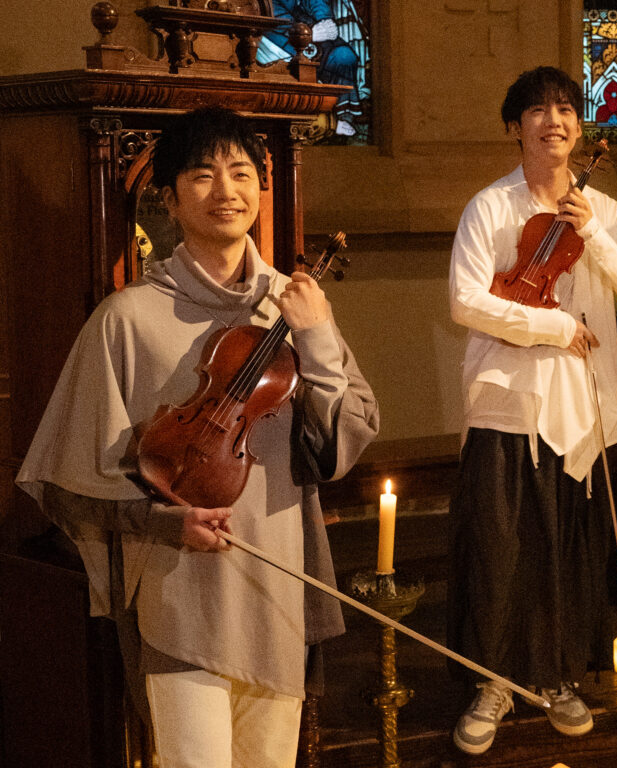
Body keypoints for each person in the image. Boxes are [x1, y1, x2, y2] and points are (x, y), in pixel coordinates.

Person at [16, 106, 379, 768]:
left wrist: (318, 335)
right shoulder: (126, 319)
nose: (226, 191)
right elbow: (69, 482)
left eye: (241, 173)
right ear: (169, 196)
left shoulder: (294, 305)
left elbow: (340, 445)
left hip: (276, 592)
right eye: (203, 175)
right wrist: (160, 524)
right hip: (179, 597)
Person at [446, 66, 617, 755]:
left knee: (568, 549)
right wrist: (556, 328)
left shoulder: (606, 212)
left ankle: (556, 675)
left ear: (579, 127)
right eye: (536, 110)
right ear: (515, 127)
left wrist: (594, 232)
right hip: (508, 401)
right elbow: (467, 303)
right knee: (501, 546)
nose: (553, 121)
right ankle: (492, 682)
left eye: (565, 109)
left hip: (581, 407)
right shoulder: (490, 207)